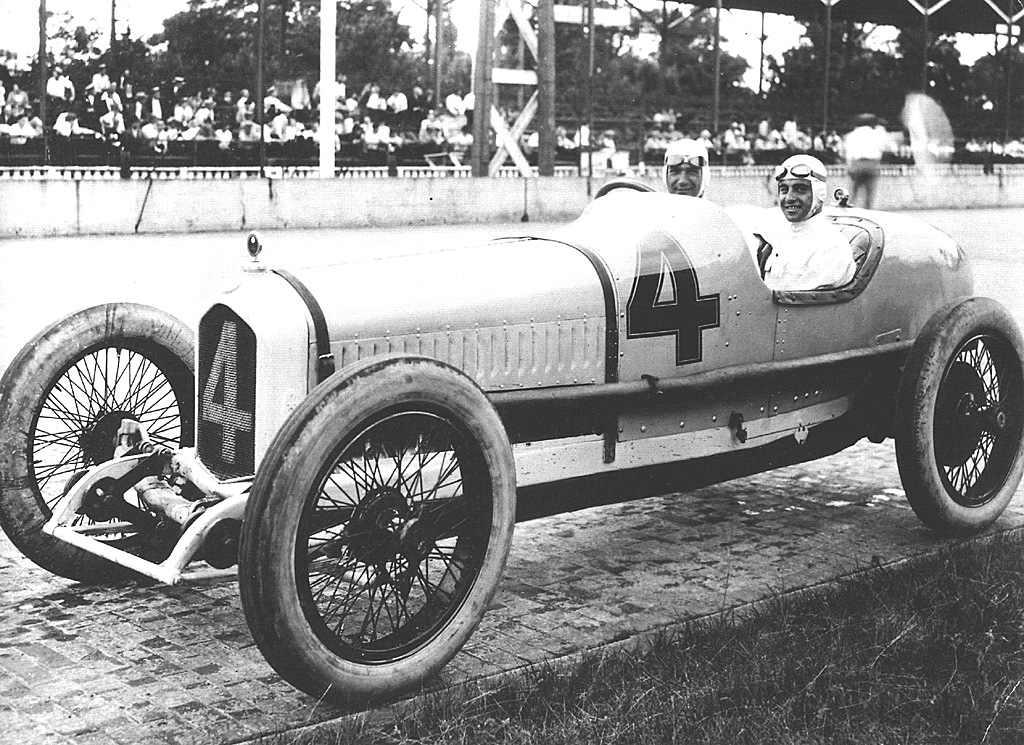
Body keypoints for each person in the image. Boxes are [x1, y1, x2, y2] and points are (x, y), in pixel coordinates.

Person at [759, 154, 857, 292]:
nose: (789, 198)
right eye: (784, 189)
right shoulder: (781, 233)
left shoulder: (831, 247)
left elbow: (795, 307)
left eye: (800, 189)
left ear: (819, 193)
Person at [844, 113, 888, 209]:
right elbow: (884, 147)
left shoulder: (851, 135)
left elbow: (848, 153)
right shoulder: (878, 133)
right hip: (872, 164)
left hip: (856, 164)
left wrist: (849, 167)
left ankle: (848, 211)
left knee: (852, 193)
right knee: (869, 195)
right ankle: (868, 212)